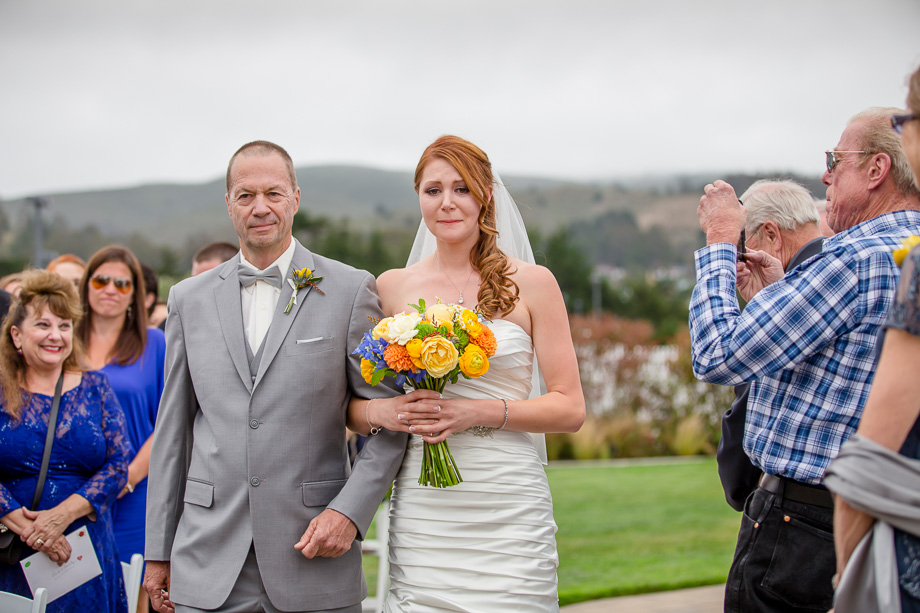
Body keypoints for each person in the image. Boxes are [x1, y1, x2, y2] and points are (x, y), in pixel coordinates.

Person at [144, 140, 409, 613]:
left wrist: (349, 514)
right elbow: (173, 433)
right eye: (245, 195)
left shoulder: (350, 290)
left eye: (274, 193)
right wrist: (158, 551)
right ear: (229, 204)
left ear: (296, 198)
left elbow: (390, 421)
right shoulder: (187, 299)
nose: (260, 207)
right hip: (206, 560)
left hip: (314, 554)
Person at [691, 107, 920, 612]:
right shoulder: (908, 253)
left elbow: (716, 353)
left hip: (802, 527)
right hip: (890, 521)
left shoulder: (851, 259)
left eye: (836, 160)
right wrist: (780, 295)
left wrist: (720, 240)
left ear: (877, 169)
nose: (825, 175)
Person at [351, 135, 585, 611]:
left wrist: (475, 411)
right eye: (433, 190)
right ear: (419, 198)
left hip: (508, 498)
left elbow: (570, 408)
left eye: (462, 189)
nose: (447, 202)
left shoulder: (534, 284)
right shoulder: (390, 287)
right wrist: (390, 411)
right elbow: (352, 409)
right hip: (425, 502)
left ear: (486, 196)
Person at [826, 67, 920, 612]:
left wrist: (848, 582)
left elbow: (871, 463)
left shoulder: (892, 262)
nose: (826, 176)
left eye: (911, 121)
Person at [0, 269, 131, 612]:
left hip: (84, 551)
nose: (55, 335)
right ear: (16, 335)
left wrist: (61, 515)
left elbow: (119, 464)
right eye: (43, 325)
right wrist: (28, 528)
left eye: (64, 325)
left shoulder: (96, 387)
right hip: (14, 552)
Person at [717, 179, 825, 511]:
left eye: (742, 242)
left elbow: (717, 358)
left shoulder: (807, 289)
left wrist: (716, 245)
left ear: (771, 235)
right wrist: (764, 303)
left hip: (800, 513)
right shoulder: (835, 275)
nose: (740, 257)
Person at [79, 245, 166, 613]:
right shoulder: (64, 341)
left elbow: (167, 422)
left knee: (132, 597)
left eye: (122, 283)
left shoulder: (155, 343)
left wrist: (124, 480)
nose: (110, 289)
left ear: (135, 295)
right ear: (86, 285)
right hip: (71, 494)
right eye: (101, 280)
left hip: (134, 492)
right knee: (74, 592)